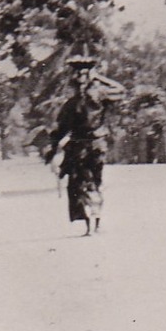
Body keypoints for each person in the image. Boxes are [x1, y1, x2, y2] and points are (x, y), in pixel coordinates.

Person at [49, 56, 122, 236]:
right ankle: (93, 223)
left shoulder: (96, 96)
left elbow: (59, 131)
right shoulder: (74, 102)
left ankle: (93, 223)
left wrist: (53, 148)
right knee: (89, 183)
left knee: (87, 183)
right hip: (86, 146)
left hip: (90, 147)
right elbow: (60, 129)